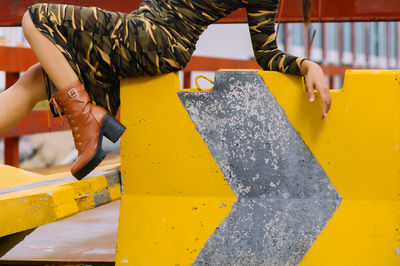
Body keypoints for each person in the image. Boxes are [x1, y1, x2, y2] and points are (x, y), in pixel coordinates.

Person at [0, 0, 331, 179]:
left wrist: (307, 65)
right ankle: (87, 114)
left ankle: (86, 118)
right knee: (35, 80)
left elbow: (266, 53)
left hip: (157, 40)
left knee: (36, 18)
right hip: (140, 33)